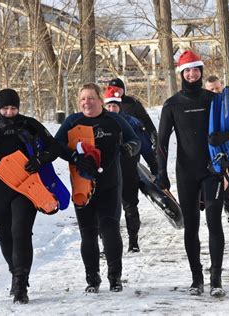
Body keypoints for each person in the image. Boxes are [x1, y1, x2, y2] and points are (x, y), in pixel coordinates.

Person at [157, 50, 229, 297]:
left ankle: (216, 279)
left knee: (214, 223)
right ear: (181, 73)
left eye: (196, 70)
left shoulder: (212, 99)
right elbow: (161, 141)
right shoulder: (172, 104)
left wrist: (222, 137)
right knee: (191, 227)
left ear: (201, 71)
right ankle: (197, 279)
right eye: (187, 70)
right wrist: (161, 171)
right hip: (186, 172)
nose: (192, 74)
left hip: (212, 170)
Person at [0, 89, 62, 304]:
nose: (9, 112)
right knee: (5, 236)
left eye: (13, 108)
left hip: (25, 189)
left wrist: (40, 160)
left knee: (20, 231)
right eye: (5, 108)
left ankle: (21, 281)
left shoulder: (28, 124)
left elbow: (54, 146)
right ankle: (14, 272)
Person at [55, 83, 141, 293]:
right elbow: (56, 145)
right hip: (83, 186)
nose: (87, 102)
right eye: (83, 99)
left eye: (91, 98)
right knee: (88, 234)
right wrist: (74, 156)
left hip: (110, 184)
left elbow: (135, 141)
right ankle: (92, 279)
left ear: (100, 100)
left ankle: (115, 277)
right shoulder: (72, 121)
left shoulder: (114, 120)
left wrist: (125, 149)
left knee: (110, 229)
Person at [104, 86, 158, 253]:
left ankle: (133, 241)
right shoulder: (98, 123)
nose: (112, 109)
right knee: (107, 211)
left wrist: (156, 169)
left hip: (128, 171)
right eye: (109, 106)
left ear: (120, 106)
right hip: (106, 174)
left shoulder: (133, 123)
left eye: (115, 106)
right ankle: (108, 245)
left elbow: (146, 148)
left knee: (130, 207)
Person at [204, 75, 229, 224]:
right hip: (207, 151)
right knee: (216, 180)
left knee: (228, 182)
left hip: (226, 147)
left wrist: (224, 136)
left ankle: (228, 206)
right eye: (212, 89)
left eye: (218, 88)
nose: (216, 91)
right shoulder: (202, 104)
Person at [108, 77, 158, 147]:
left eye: (118, 89)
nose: (116, 92)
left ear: (123, 90)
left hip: (133, 139)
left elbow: (145, 119)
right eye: (113, 89)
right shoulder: (105, 104)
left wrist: (153, 134)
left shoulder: (132, 102)